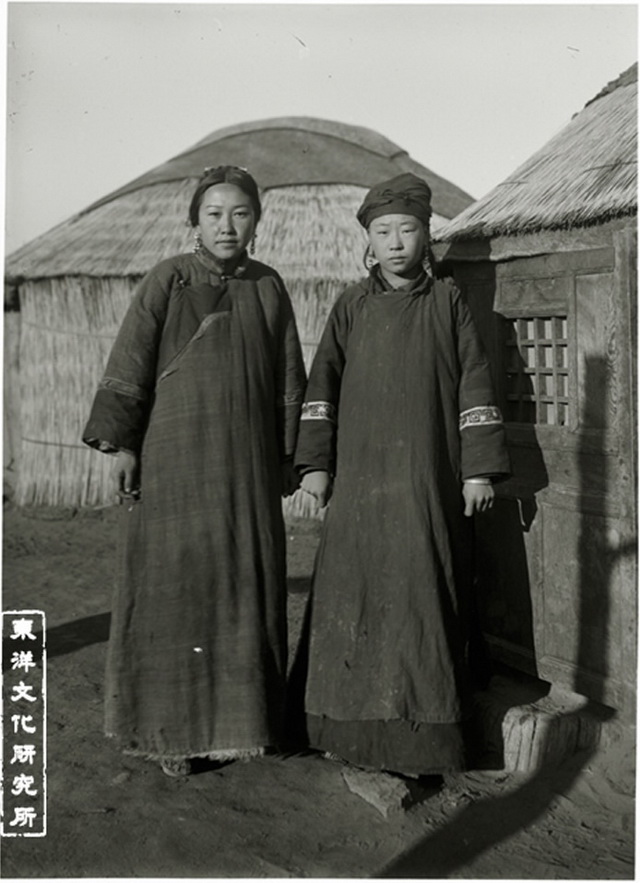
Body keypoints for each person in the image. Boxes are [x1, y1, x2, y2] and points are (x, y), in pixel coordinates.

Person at [83, 165, 306, 777]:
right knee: (171, 590)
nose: (227, 226)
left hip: (247, 470)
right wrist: (123, 445)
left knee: (242, 586)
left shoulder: (269, 287)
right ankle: (168, 735)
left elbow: (289, 377)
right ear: (194, 221)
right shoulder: (168, 281)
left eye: (240, 214)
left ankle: (243, 726)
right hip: (173, 463)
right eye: (214, 214)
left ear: (257, 221)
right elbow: (130, 360)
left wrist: (290, 454)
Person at [292, 172, 510, 779]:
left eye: (407, 230)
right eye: (382, 231)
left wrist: (479, 470)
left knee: (421, 592)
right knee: (353, 592)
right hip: (360, 481)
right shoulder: (350, 307)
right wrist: (315, 467)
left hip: (426, 478)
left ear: (426, 235)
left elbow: (474, 380)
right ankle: (341, 729)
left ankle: (419, 742)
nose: (395, 243)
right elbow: (321, 388)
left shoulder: (449, 304)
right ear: (368, 239)